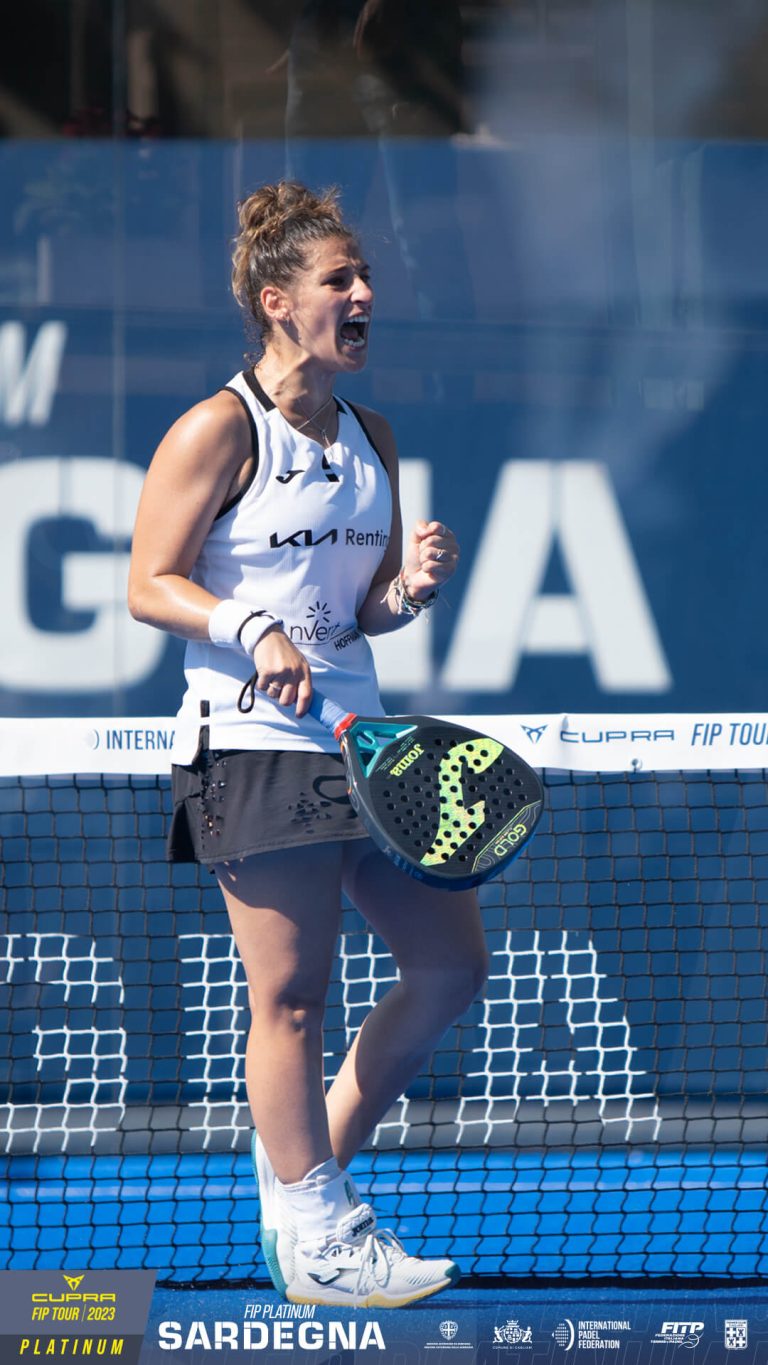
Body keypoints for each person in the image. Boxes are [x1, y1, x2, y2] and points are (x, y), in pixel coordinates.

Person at [128, 180, 488, 1307]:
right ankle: (323, 1232)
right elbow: (149, 584)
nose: (365, 293)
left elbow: (357, 610)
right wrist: (251, 628)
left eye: (365, 275)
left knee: (452, 966)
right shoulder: (217, 428)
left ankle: (302, 1177)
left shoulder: (374, 436)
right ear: (279, 301)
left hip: (359, 742)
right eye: (341, 280)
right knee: (290, 999)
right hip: (249, 743)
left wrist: (407, 590)